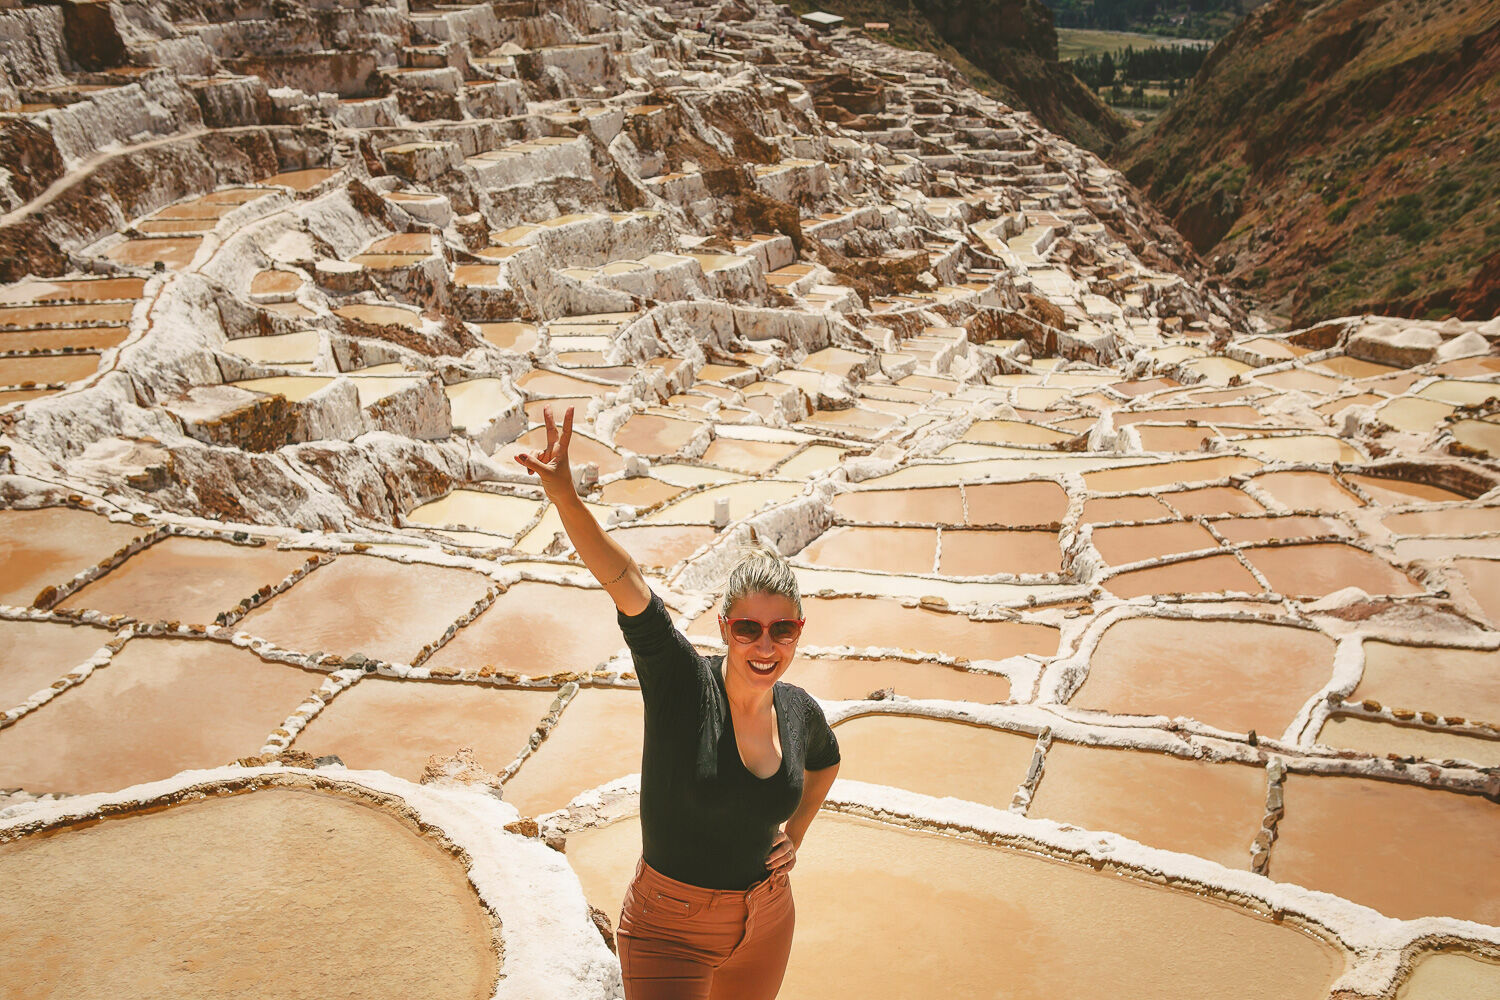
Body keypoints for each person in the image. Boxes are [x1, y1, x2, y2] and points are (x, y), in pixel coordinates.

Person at [514, 405, 841, 1000]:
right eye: (748, 629)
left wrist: (795, 833)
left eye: (781, 631)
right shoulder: (682, 684)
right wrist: (565, 496)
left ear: (798, 630)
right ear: (723, 627)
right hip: (670, 930)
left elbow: (826, 764)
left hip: (768, 919)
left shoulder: (799, 712)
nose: (764, 647)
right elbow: (627, 582)